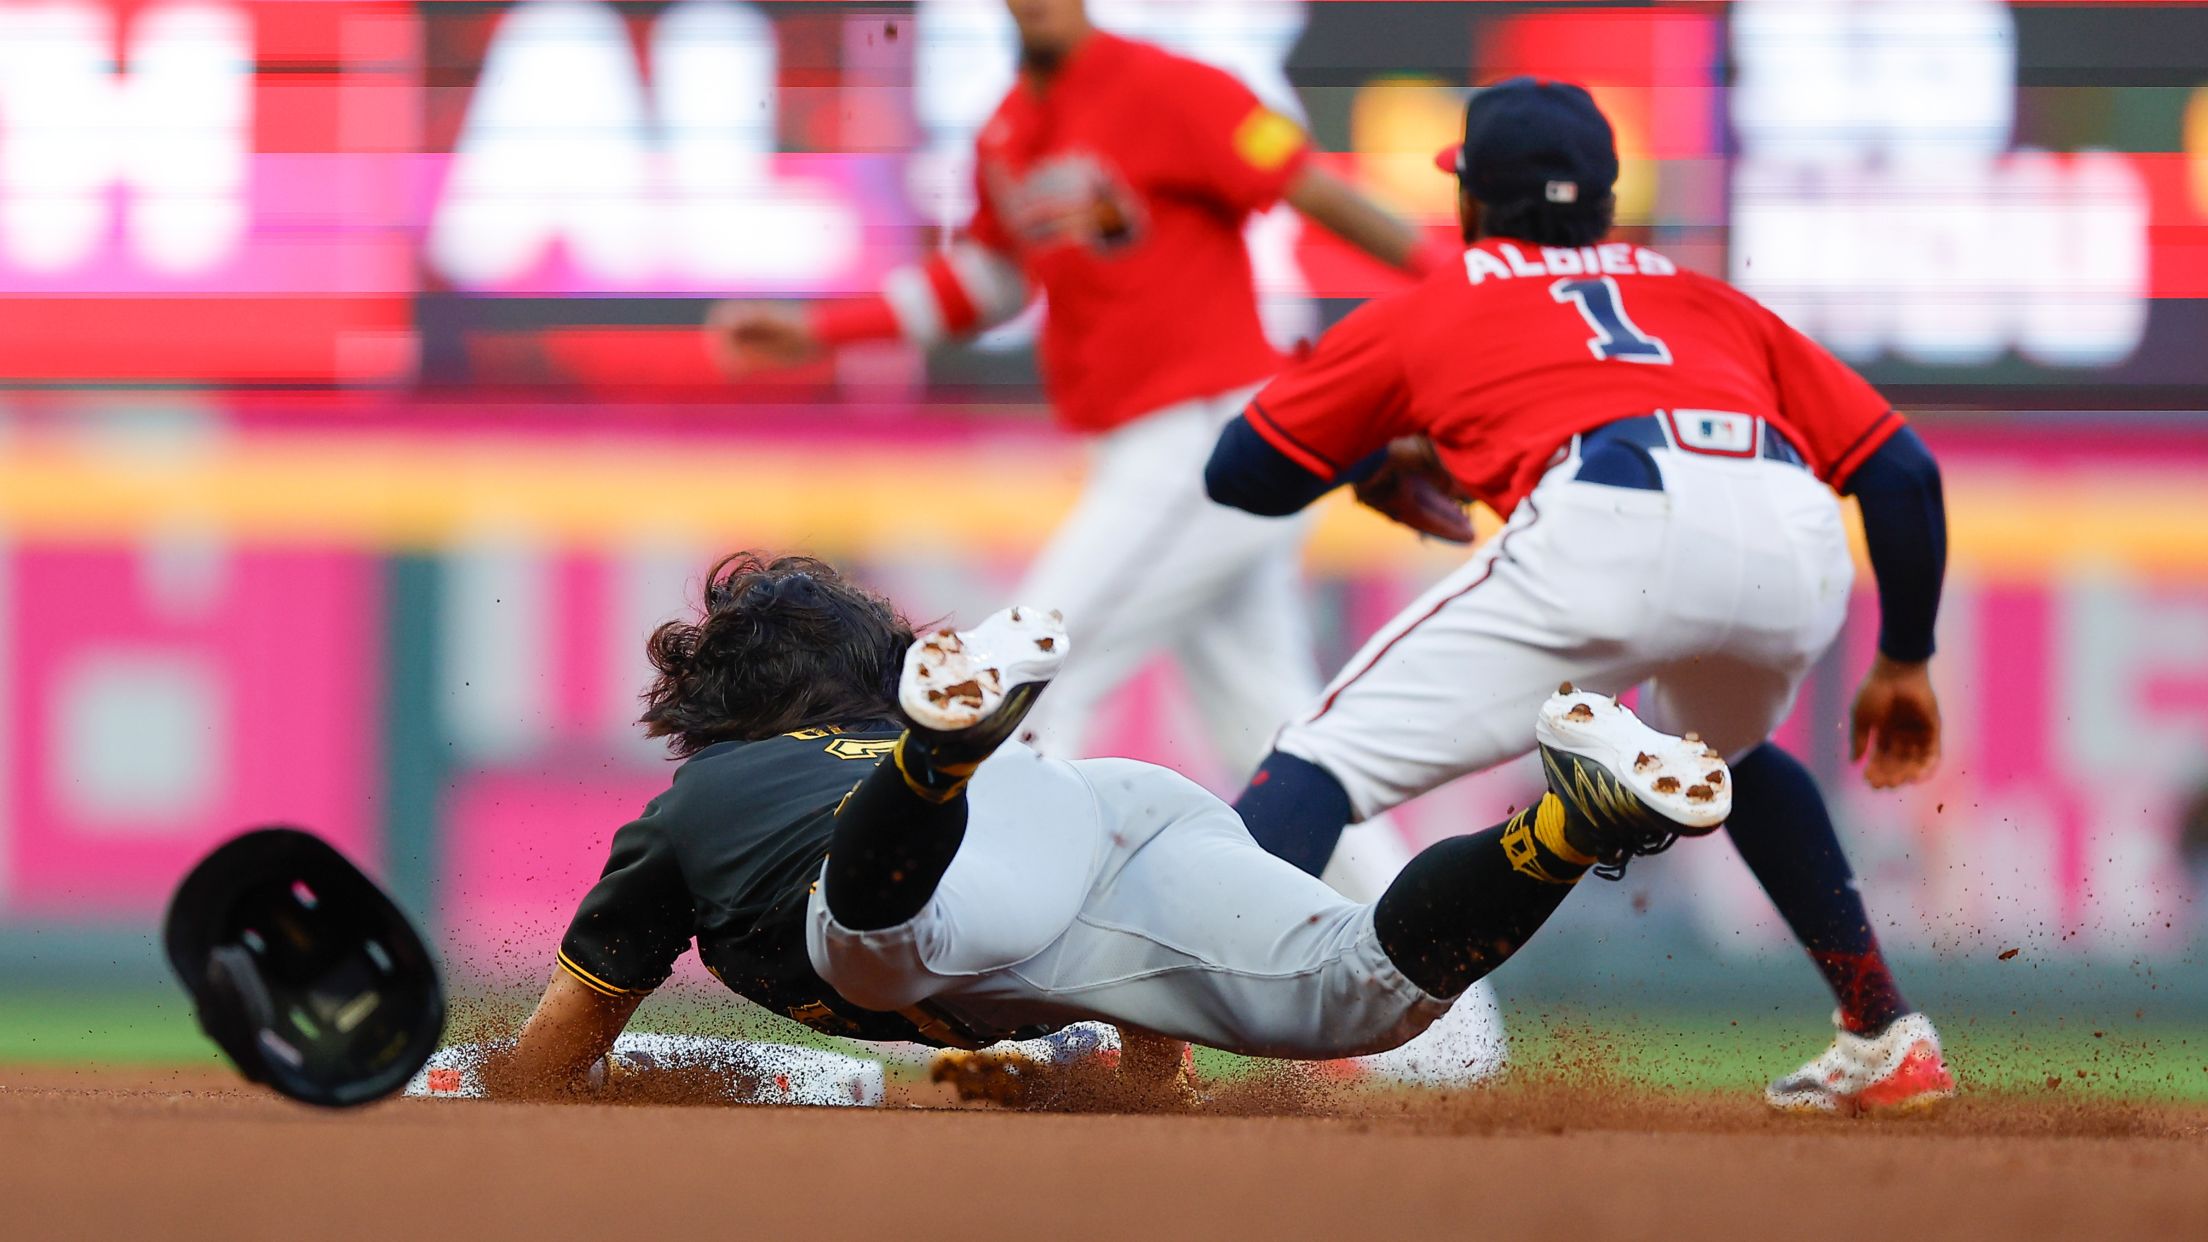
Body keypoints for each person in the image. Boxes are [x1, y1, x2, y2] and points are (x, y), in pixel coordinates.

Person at [707, 0, 1504, 1082]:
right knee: (1297, 748)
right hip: (1153, 444)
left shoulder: (1168, 88)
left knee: (1019, 676)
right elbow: (985, 281)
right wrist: (822, 328)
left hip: (1212, 429)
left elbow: (1308, 188)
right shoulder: (1009, 131)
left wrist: (1457, 284)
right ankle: (1456, 1043)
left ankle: (1033, 996)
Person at [1203, 78, 1956, 1116]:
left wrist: (1377, 454)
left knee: (1321, 760)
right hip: (1790, 526)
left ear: (1468, 199)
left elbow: (1241, 472)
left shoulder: (1447, 298)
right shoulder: (1710, 301)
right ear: (1606, 201)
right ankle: (1884, 1031)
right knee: (1726, 753)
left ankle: (1161, 1015)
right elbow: (1902, 473)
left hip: (1612, 517)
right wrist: (1905, 656)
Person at [492, 553, 1731, 1099]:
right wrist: (1052, 1080)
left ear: (715, 718)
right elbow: (1152, 1051)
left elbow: (560, 1052)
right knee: (1363, 991)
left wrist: (500, 1089)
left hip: (938, 856)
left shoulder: (693, 806)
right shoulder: (956, 788)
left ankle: (935, 768)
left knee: (871, 936)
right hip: (1098, 799)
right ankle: (1569, 825)